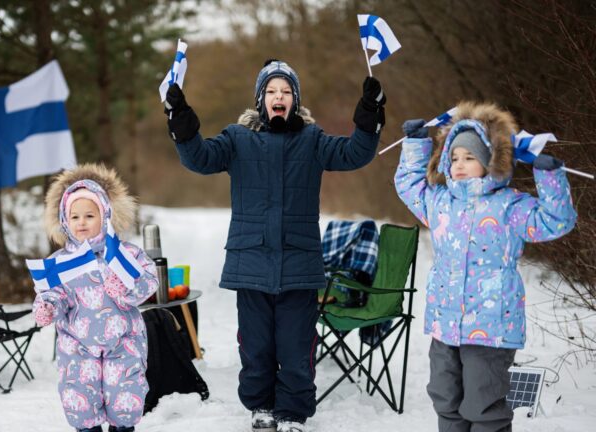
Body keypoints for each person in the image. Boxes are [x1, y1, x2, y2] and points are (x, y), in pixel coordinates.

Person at [163, 59, 387, 432]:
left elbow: (355, 154)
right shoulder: (237, 138)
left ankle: (292, 412)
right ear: (260, 99)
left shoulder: (313, 140)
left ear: (295, 100)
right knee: (256, 347)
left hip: (299, 265)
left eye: (285, 91)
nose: (278, 97)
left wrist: (370, 113)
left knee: (296, 347)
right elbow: (200, 158)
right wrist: (180, 119)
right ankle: (261, 406)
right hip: (250, 262)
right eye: (271, 91)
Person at [394, 101, 577, 431]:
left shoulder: (509, 206)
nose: (460, 164)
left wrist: (549, 177)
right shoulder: (439, 202)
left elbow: (556, 220)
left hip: (491, 328)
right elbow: (409, 186)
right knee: (444, 397)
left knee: (483, 403)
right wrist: (416, 145)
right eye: (454, 157)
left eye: (470, 157)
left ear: (491, 160)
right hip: (445, 324)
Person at [32, 163, 158, 432]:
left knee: (124, 398)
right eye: (74, 217)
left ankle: (122, 428)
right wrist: (48, 306)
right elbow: (53, 292)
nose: (82, 223)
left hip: (123, 342)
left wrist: (125, 288)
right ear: (65, 221)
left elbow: (149, 280)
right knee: (80, 401)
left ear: (105, 215)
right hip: (77, 346)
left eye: (89, 215)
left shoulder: (125, 253)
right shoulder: (61, 261)